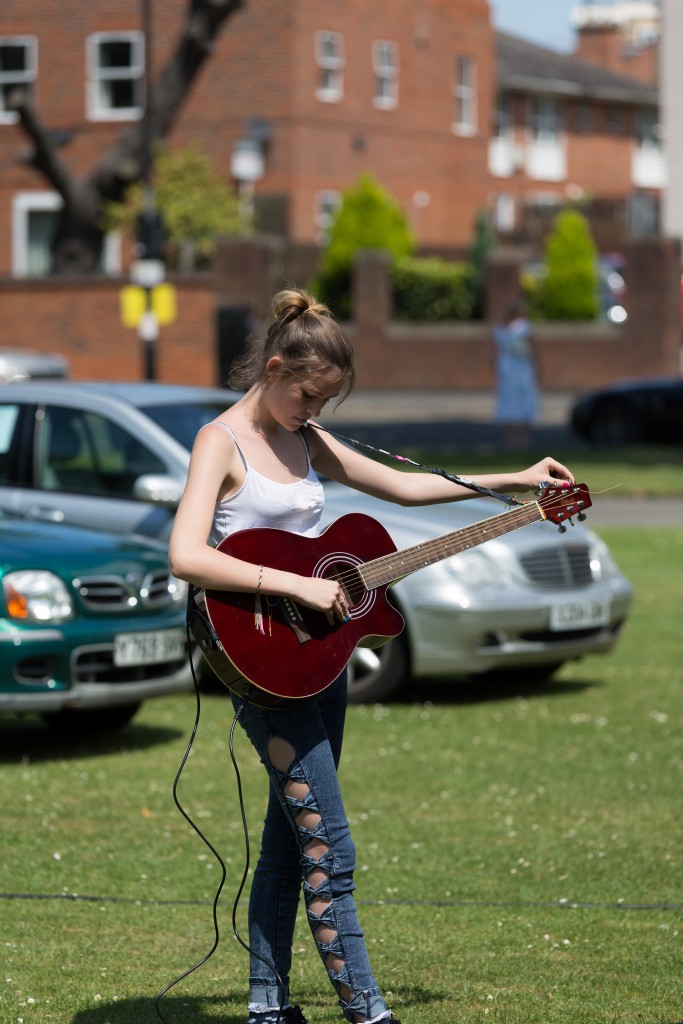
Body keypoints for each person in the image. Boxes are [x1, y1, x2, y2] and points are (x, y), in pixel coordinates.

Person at [168, 288, 574, 1024]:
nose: (313, 410)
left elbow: (401, 488)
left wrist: (513, 482)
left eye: (326, 400)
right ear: (275, 364)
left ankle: (265, 1007)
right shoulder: (217, 442)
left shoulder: (308, 437)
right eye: (306, 394)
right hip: (263, 666)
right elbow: (185, 554)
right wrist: (295, 583)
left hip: (319, 659)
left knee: (292, 840)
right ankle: (367, 1012)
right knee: (331, 847)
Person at [493, 300, 539, 450]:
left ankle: (517, 440)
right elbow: (534, 350)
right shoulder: (520, 327)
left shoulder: (504, 328)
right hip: (517, 369)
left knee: (515, 400)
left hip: (513, 368)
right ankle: (517, 440)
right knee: (517, 400)